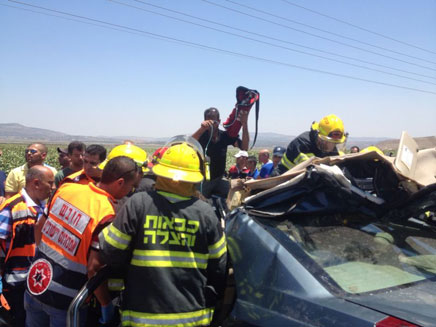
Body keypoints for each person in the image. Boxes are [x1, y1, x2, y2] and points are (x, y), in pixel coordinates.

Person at [96, 136, 227, 327]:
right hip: (191, 318)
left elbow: (110, 250)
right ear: (195, 177)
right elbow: (219, 265)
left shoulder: (138, 203)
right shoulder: (206, 212)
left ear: (160, 172)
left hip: (142, 317)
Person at [24, 156, 138, 327]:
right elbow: (94, 268)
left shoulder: (68, 188)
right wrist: (106, 305)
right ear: (120, 182)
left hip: (36, 282)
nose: (131, 190)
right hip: (66, 301)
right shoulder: (105, 213)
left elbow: (39, 226)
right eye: (131, 186)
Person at [0, 166, 55, 327]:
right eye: (50, 183)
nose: (52, 188)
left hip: (39, 281)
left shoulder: (47, 207)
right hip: (16, 282)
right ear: (36, 183)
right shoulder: (13, 207)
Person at [193, 107, 249, 198]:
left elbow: (244, 147)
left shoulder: (224, 136)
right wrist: (202, 129)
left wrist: (244, 124)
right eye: (208, 120)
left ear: (219, 121)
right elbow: (190, 143)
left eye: (214, 120)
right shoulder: (201, 135)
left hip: (219, 178)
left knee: (234, 197)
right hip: (203, 180)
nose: (212, 123)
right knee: (198, 201)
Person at [276, 114, 347, 175]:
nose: (333, 147)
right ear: (320, 138)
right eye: (330, 143)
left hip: (299, 179)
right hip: (282, 177)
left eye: (336, 143)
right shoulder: (302, 144)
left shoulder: (327, 145)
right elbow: (311, 168)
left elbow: (337, 159)